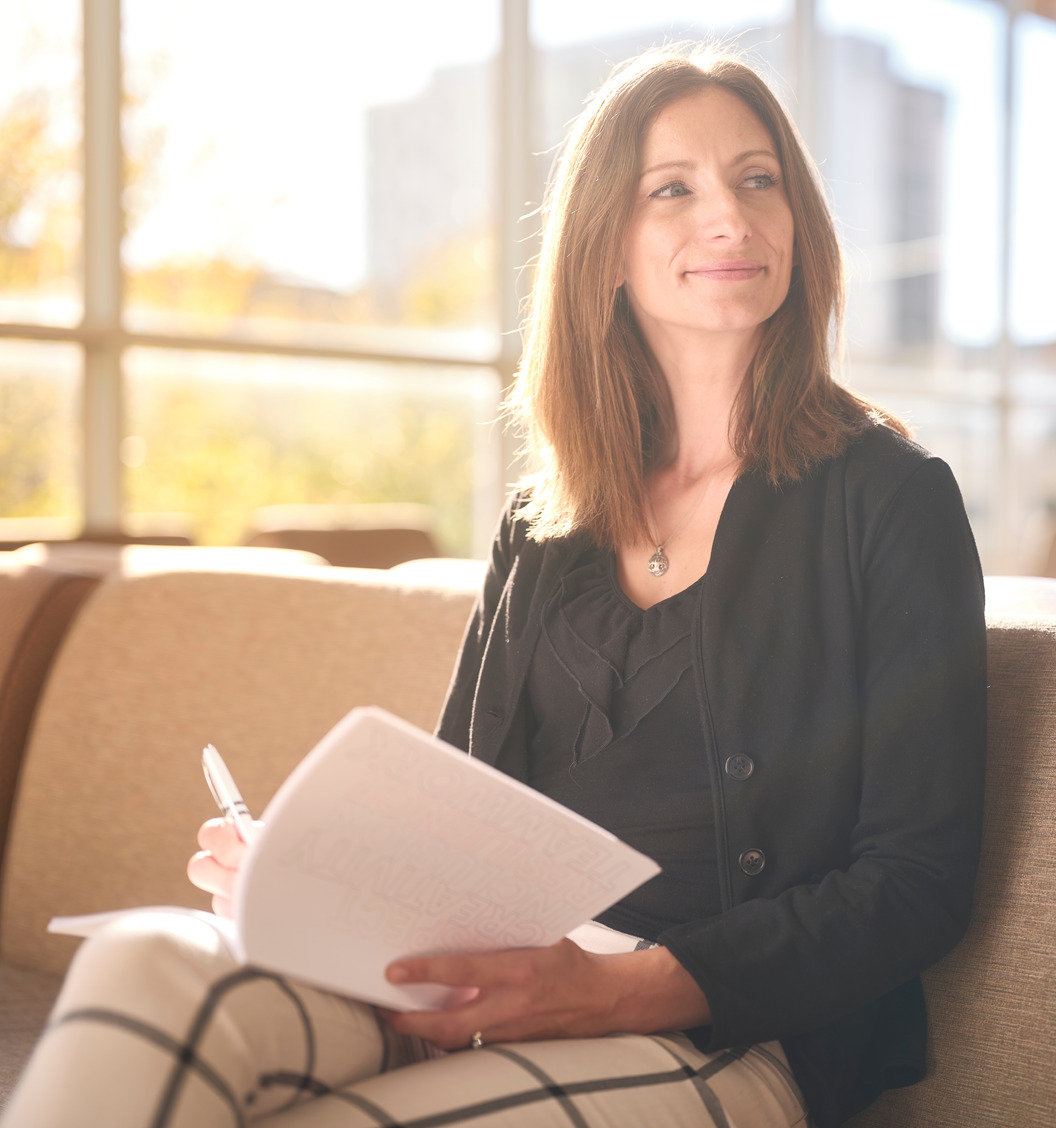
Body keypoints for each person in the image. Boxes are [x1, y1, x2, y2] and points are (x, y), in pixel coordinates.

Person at [1, 45, 985, 1128]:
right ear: (604, 249)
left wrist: (610, 990)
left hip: (724, 1033)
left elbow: (917, 881)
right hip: (479, 989)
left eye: (759, 179)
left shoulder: (891, 499)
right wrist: (317, 883)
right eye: (673, 189)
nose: (731, 217)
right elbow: (459, 813)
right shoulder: (543, 520)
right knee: (146, 959)